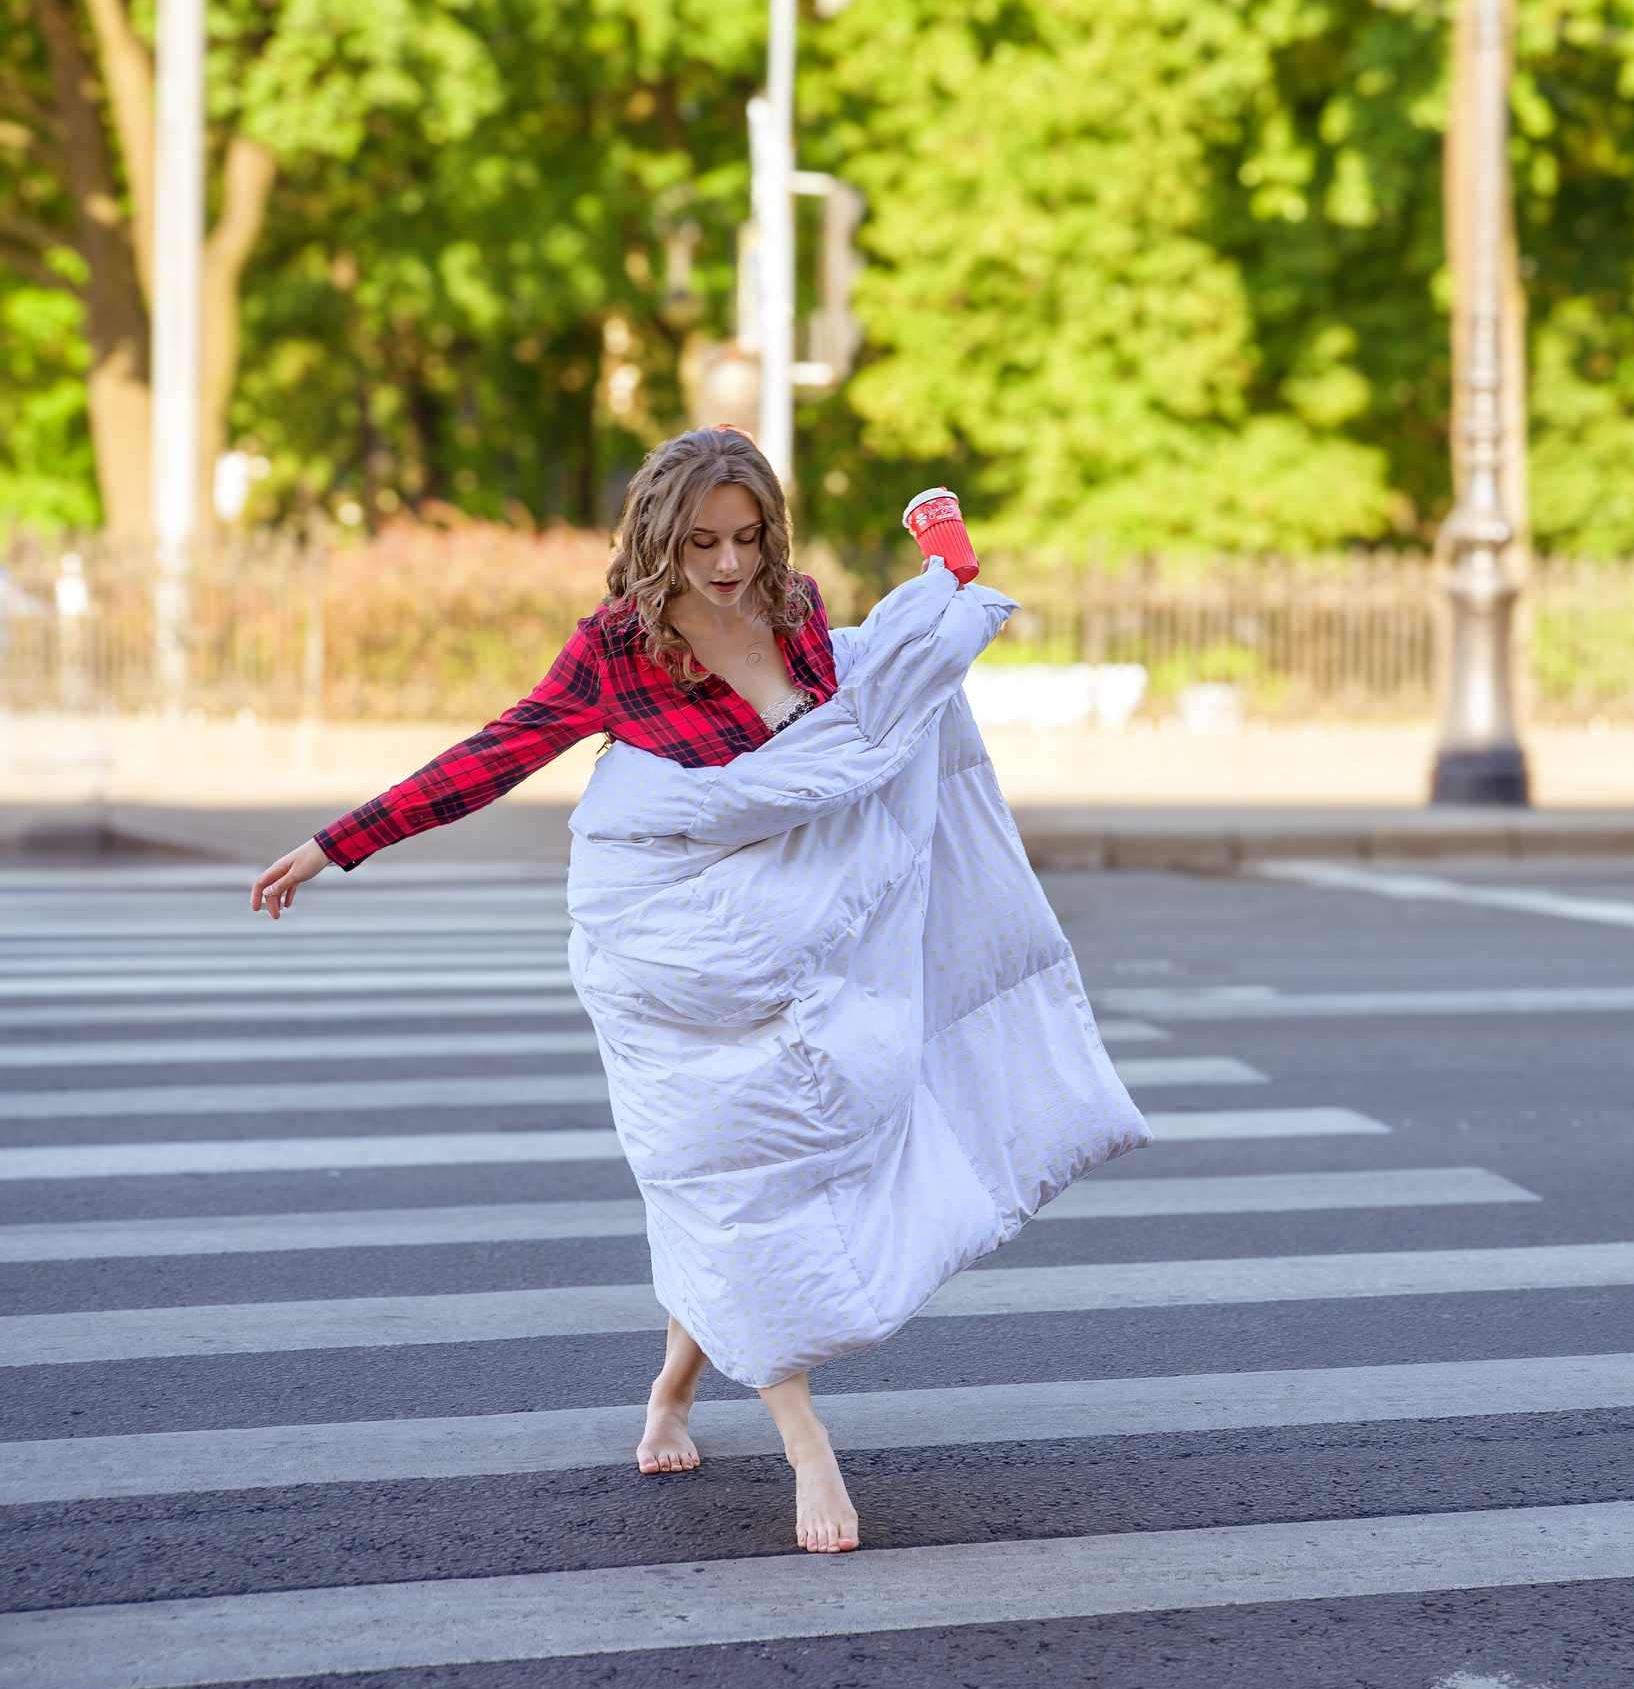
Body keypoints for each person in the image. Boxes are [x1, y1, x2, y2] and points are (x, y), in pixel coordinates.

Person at [251, 429, 1146, 1553]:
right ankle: (806, 1444)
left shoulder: (800, 612)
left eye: (747, 536)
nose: (727, 564)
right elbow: (496, 753)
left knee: (746, 1191)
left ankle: (673, 1389)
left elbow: (851, 745)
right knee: (733, 1187)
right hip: (684, 969)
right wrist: (337, 845)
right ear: (655, 540)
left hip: (805, 962)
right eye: (701, 542)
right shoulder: (615, 652)